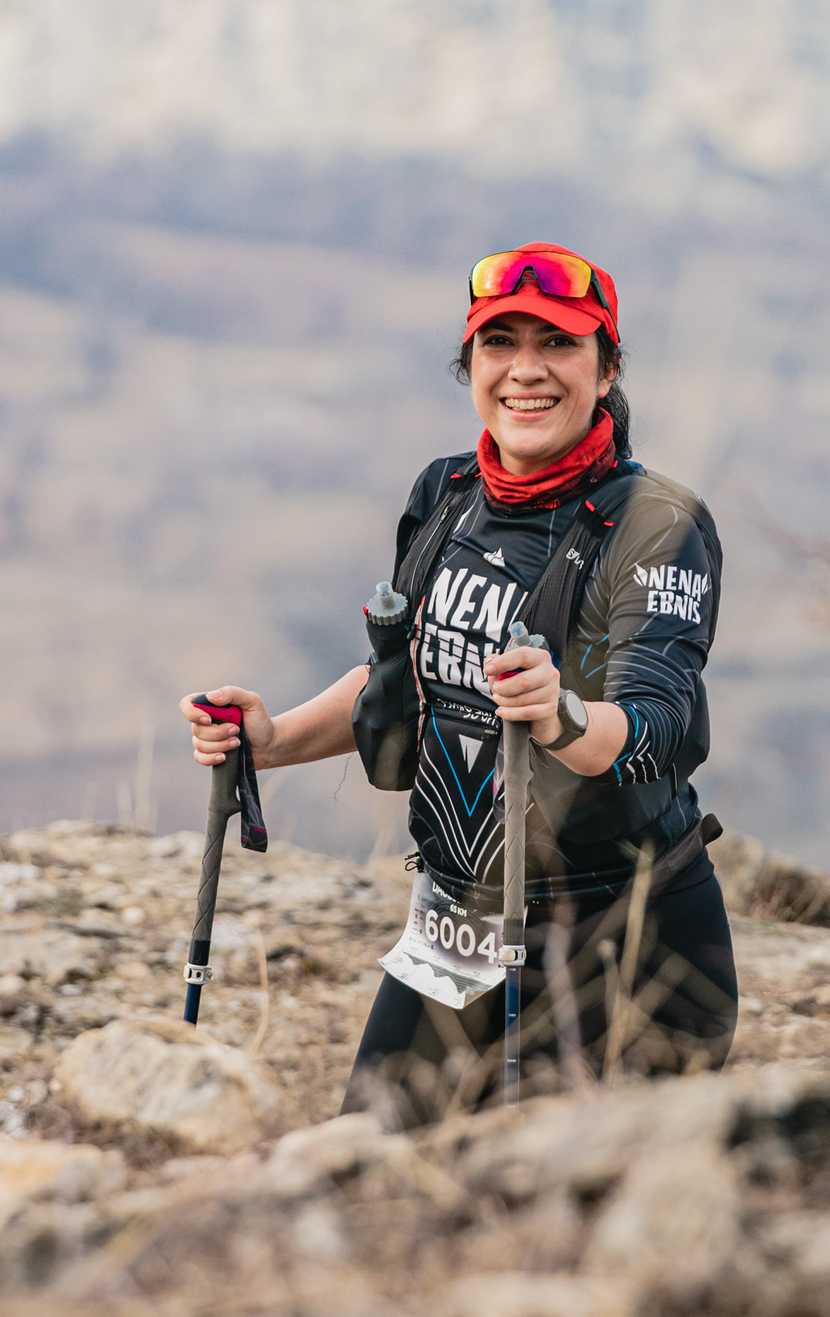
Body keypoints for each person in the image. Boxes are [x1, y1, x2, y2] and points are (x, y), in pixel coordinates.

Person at [182, 242, 734, 1125]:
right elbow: (409, 677)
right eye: (498, 343)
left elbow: (654, 723)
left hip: (621, 943)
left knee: (554, 1239)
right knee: (364, 1180)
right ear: (469, 364)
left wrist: (558, 715)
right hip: (454, 930)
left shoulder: (659, 525)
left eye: (558, 343)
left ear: (608, 367)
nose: (526, 370)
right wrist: (273, 739)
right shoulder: (446, 494)